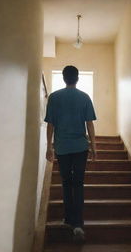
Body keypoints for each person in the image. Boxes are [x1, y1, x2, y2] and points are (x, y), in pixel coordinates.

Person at [44, 65, 97, 242]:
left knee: (66, 183)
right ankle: (78, 224)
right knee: (78, 184)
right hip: (81, 147)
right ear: (77, 78)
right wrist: (94, 147)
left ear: (64, 78)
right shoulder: (84, 97)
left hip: (62, 148)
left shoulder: (54, 98)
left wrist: (49, 147)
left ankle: (69, 220)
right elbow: (89, 124)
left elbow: (50, 124)